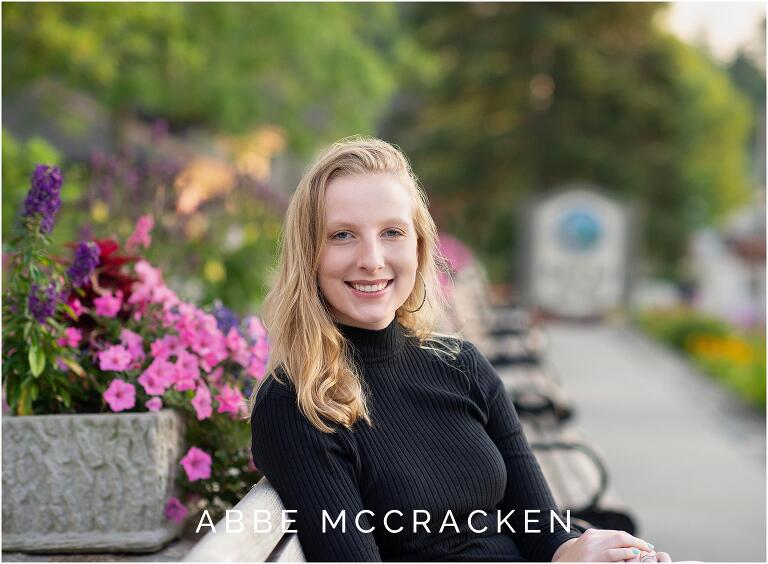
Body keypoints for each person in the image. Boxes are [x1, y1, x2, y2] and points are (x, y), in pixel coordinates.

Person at [248, 136, 671, 562]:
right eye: (342, 235)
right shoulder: (299, 405)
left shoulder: (460, 366)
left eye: (392, 232)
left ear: (418, 246)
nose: (372, 259)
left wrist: (582, 550)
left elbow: (540, 530)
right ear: (309, 256)